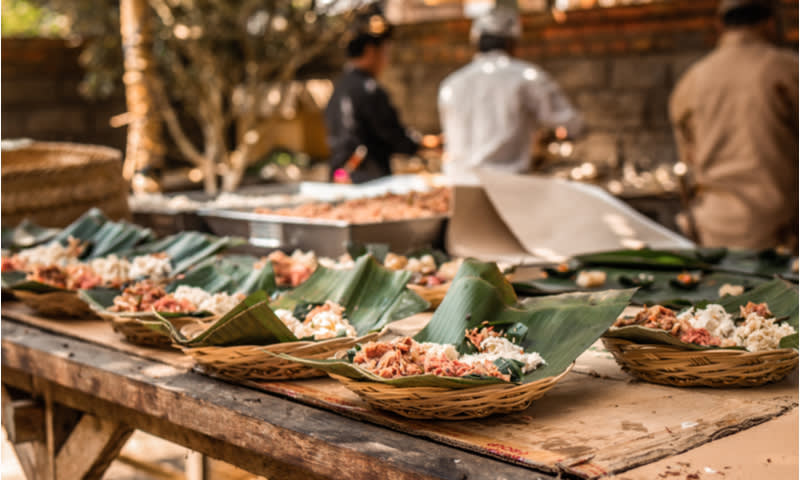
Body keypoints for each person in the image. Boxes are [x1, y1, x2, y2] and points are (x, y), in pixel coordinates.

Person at [669, 0, 798, 249]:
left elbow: (688, 160)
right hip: (778, 235)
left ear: (720, 25)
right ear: (770, 23)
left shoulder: (692, 79)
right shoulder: (787, 69)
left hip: (711, 231)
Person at [437, 6, 583, 182]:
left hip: (457, 184)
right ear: (512, 43)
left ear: (476, 42)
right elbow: (571, 124)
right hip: (507, 186)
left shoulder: (452, 83)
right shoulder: (527, 77)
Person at [324, 12, 436, 184]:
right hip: (367, 177)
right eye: (385, 53)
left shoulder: (339, 87)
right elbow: (392, 133)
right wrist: (421, 145)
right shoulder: (369, 90)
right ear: (370, 51)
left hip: (340, 174)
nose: (386, 61)